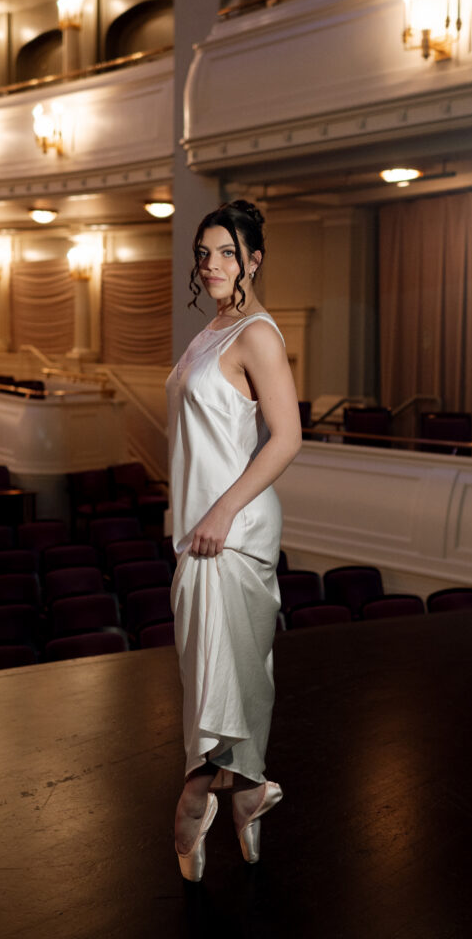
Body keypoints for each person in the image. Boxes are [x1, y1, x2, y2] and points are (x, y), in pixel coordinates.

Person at [165, 199, 302, 881]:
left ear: (253, 259)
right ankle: (247, 792)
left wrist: (220, 513)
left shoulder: (256, 334)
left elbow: (288, 438)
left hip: (233, 530)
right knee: (211, 678)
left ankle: (199, 797)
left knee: (227, 677)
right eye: (203, 253)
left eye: (227, 253)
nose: (212, 265)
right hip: (198, 532)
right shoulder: (212, 329)